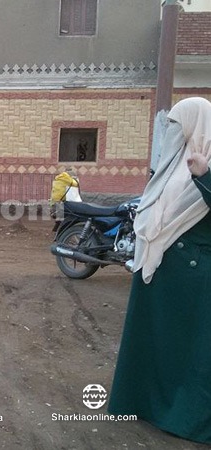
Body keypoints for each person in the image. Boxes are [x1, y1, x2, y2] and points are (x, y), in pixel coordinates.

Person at [108, 97, 211, 445]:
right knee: (154, 345)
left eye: (178, 126)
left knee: (189, 352)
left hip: (194, 277)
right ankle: (144, 404)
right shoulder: (174, 162)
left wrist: (204, 176)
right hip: (159, 267)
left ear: (195, 125)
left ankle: (184, 419)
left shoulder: (206, 160)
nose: (173, 133)